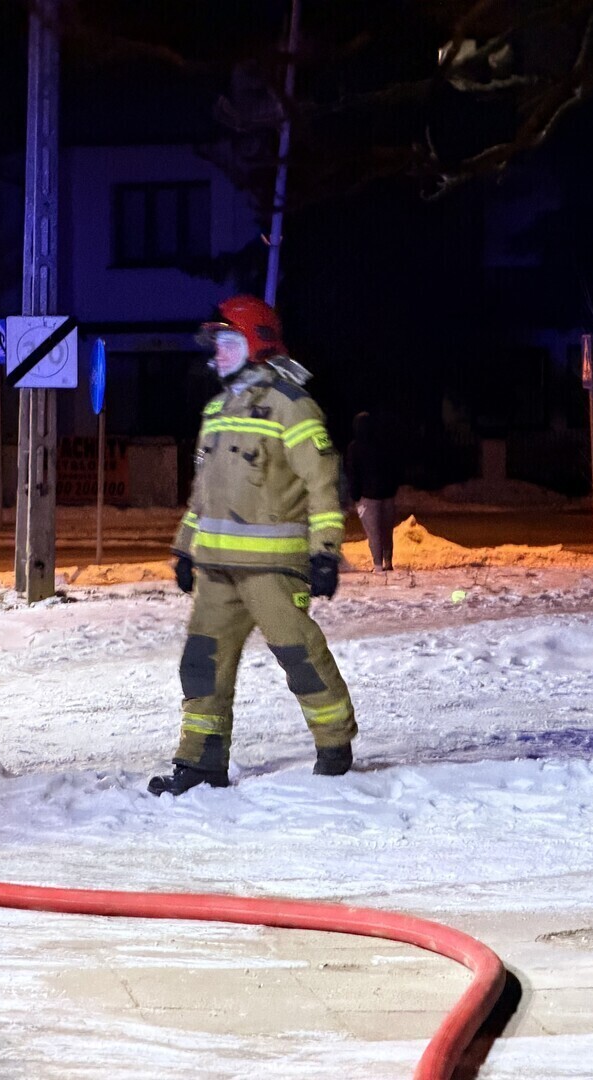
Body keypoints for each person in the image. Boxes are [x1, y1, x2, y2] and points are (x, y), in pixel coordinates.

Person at [150, 295, 357, 796]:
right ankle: (200, 763)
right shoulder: (218, 410)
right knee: (202, 665)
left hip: (272, 570)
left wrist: (326, 550)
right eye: (217, 344)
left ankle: (334, 748)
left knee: (300, 655)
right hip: (217, 570)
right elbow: (205, 491)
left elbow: (323, 483)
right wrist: (184, 546)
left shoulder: (292, 405)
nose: (218, 353)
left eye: (227, 342)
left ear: (255, 343)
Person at [345, 411, 399, 572]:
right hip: (387, 495)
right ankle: (388, 562)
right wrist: (392, 488)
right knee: (386, 531)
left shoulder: (354, 447)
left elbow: (352, 473)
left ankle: (378, 566)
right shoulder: (385, 445)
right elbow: (394, 469)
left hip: (367, 497)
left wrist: (355, 495)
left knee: (373, 533)